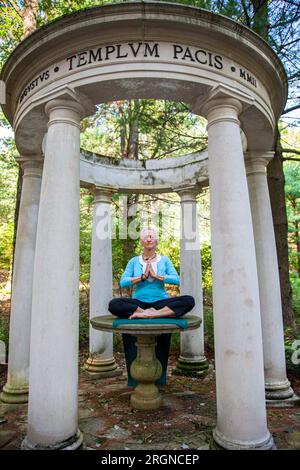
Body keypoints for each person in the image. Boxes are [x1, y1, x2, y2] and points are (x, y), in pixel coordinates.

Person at [108, 226, 195, 386]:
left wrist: (157, 276)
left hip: (160, 302)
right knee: (114, 304)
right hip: (139, 302)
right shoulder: (134, 261)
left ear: (156, 241)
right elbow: (123, 281)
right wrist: (141, 277)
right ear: (141, 241)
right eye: (146, 236)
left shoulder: (164, 260)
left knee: (189, 300)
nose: (149, 238)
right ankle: (145, 312)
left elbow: (176, 279)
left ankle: (150, 314)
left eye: (152, 236)